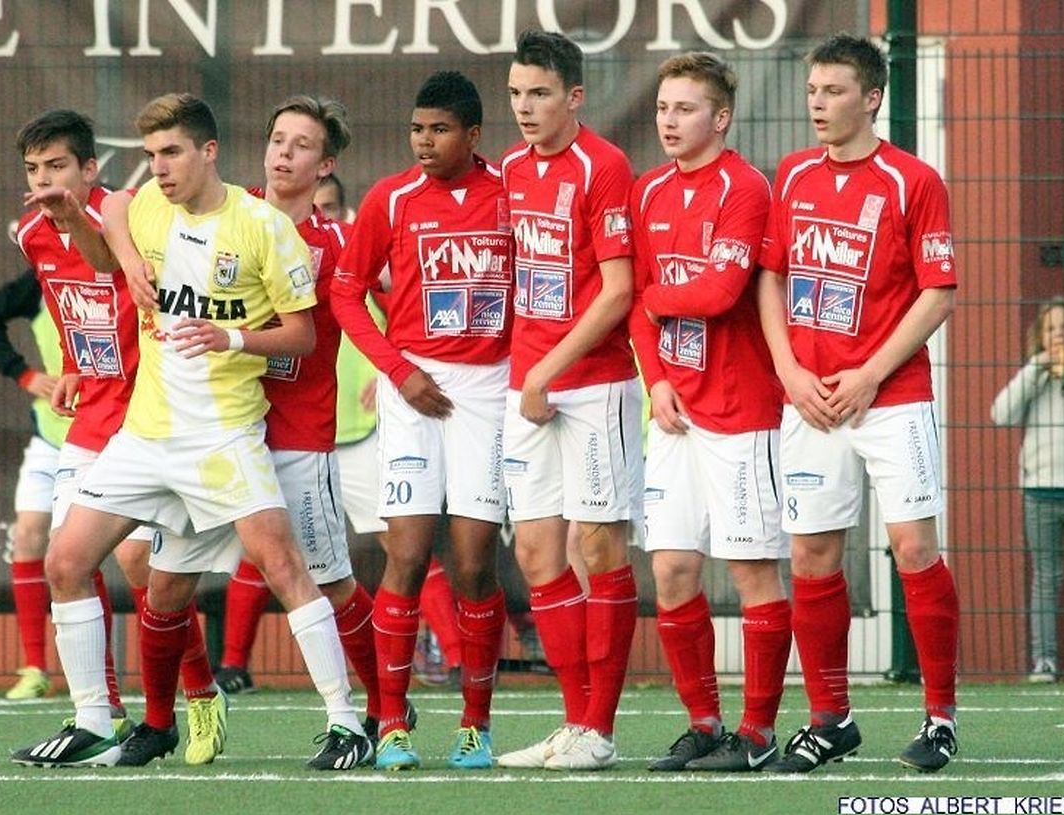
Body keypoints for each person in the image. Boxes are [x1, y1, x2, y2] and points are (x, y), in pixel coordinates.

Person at [11, 93, 371, 770]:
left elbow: (302, 334)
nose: (158, 167)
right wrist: (96, 232)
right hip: (146, 438)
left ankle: (348, 724)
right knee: (66, 562)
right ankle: (97, 721)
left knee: (287, 569)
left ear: (209, 151)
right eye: (150, 155)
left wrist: (228, 335)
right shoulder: (147, 203)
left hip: (223, 438)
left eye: (171, 152)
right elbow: (114, 223)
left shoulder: (262, 226)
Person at [756, 34, 960, 774]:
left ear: (872, 98)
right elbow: (771, 277)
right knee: (811, 554)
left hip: (891, 395)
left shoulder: (913, 180)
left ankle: (940, 718)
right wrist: (788, 371)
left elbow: (938, 292)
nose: (818, 103)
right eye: (813, 90)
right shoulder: (792, 174)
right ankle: (830, 719)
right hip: (811, 400)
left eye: (834, 91)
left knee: (914, 548)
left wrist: (871, 373)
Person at [6, 109, 225, 767]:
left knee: (142, 569)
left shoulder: (130, 218)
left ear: (90, 169)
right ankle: (97, 717)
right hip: (95, 414)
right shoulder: (32, 233)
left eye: (57, 166)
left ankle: (202, 692)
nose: (44, 180)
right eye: (33, 169)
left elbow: (147, 293)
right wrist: (77, 364)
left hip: (152, 415)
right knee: (65, 562)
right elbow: (73, 305)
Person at [331, 70, 511, 771]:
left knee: (473, 563)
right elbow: (347, 293)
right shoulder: (392, 197)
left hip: (487, 391)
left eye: (439, 130)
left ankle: (475, 725)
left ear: (473, 134)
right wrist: (398, 370)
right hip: (412, 388)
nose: (424, 142)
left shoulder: (509, 195)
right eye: (416, 129)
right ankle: (391, 725)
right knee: (404, 553)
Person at [211, 95, 398, 754]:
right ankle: (161, 714)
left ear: (325, 165)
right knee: (156, 570)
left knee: (329, 577)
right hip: (218, 426)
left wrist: (394, 367)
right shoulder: (225, 215)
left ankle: (384, 707)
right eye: (277, 140)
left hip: (298, 431)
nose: (284, 153)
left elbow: (397, 301)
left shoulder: (338, 243)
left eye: (302, 145)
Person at [627, 52, 792, 773]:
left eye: (685, 108)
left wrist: (656, 297)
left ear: (720, 117)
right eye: (663, 107)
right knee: (670, 569)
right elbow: (636, 305)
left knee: (752, 571)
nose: (669, 120)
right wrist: (657, 380)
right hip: (675, 411)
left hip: (742, 409)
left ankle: (757, 732)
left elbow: (720, 292)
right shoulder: (647, 191)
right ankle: (703, 722)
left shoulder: (746, 187)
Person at [495, 30, 642, 772]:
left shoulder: (604, 166)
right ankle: (574, 721)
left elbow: (618, 291)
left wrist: (546, 370)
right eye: (516, 93)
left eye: (540, 94)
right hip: (529, 386)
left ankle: (599, 729)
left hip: (593, 386)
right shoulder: (511, 168)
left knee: (598, 545)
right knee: (534, 551)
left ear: (574, 97)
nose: (525, 107)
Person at [0, 266, 71, 700]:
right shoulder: (42, 277)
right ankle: (35, 668)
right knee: (28, 536)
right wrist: (24, 374)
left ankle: (106, 674)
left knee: (123, 556)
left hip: (112, 436)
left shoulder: (121, 271)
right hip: (51, 436)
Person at [991, 298, 1064, 683]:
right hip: (1039, 491)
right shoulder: (1034, 377)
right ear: (1041, 336)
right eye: (1051, 329)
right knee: (1046, 579)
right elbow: (1001, 414)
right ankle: (1044, 661)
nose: (1059, 336)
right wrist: (1036, 368)